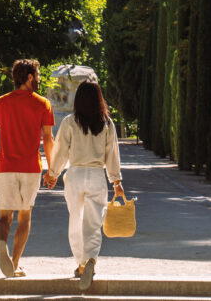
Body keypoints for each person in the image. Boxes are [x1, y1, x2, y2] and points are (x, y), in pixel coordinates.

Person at [44, 81, 125, 291]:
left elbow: (61, 150)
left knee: (76, 220)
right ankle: (91, 259)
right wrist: (116, 181)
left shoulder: (70, 122)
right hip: (97, 175)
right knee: (94, 223)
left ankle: (81, 263)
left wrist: (53, 174)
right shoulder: (106, 123)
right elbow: (112, 154)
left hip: (75, 174)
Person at [0, 59, 55, 278]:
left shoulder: (1, 102)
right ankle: (14, 263)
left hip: (5, 167)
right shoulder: (43, 103)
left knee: (5, 216)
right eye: (37, 75)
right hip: (30, 168)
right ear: (30, 77)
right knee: (25, 217)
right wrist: (52, 169)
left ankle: (1, 242)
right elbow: (48, 138)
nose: (39, 78)